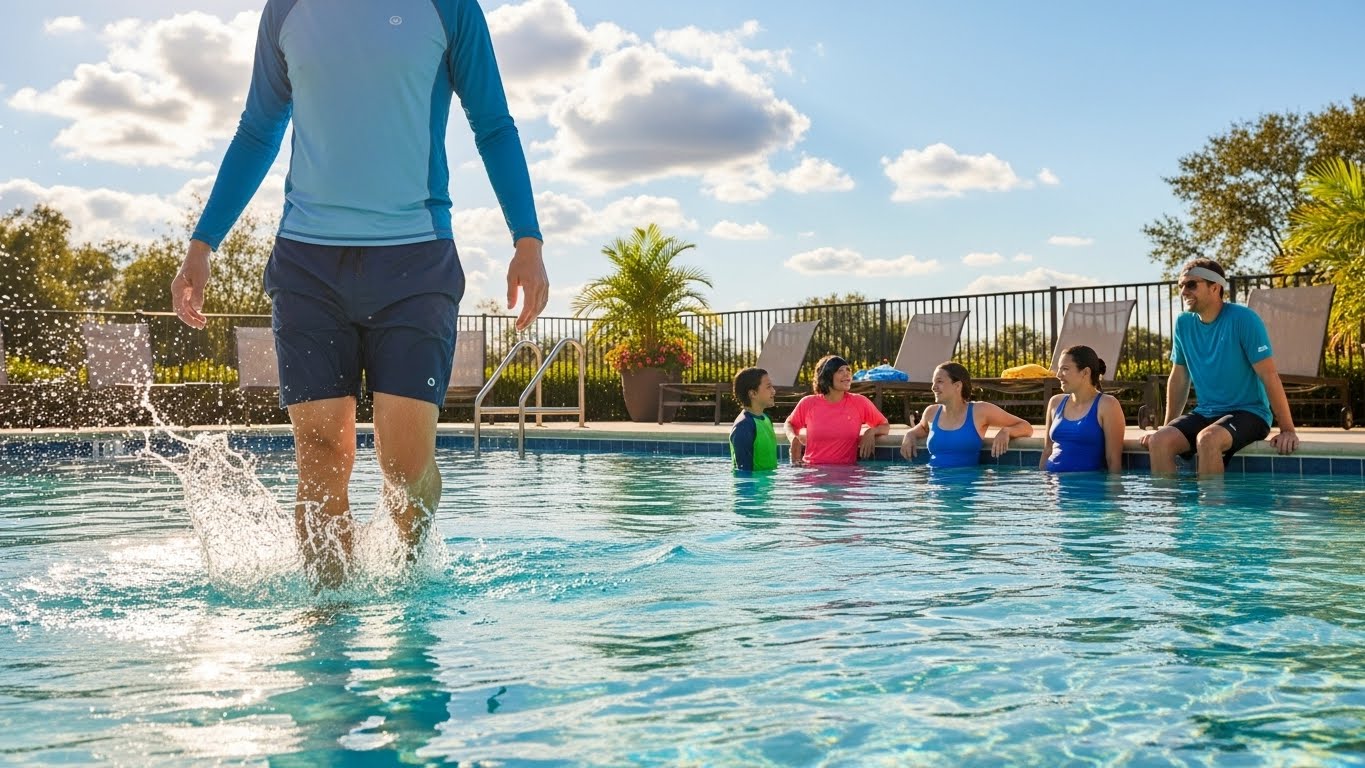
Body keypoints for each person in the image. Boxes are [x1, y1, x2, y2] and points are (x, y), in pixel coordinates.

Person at [170, 1, 549, 588]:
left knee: (405, 468)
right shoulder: (287, 10)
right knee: (320, 458)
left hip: (416, 262)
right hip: (307, 264)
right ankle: (329, 634)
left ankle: (407, 598)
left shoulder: (449, 9)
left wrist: (527, 238)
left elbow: (494, 125)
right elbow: (257, 129)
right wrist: (203, 242)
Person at [1139, 258, 1299, 475]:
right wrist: (1168, 427)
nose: (1184, 291)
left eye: (1192, 284)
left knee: (1208, 439)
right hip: (1206, 413)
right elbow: (1179, 377)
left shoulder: (1244, 319)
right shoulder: (1183, 324)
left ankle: (1213, 510)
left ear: (1215, 287)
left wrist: (1288, 430)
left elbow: (1269, 375)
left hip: (1250, 413)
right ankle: (1168, 508)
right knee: (1159, 441)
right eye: (1181, 286)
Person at [898, 361, 1032, 468]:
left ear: (957, 386)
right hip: (935, 490)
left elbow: (1026, 427)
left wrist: (1006, 431)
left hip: (965, 491)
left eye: (939, 381)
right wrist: (910, 434)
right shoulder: (932, 412)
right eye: (933, 382)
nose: (933, 387)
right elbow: (922, 428)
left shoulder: (980, 411)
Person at [784, 355, 890, 465]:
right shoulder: (809, 403)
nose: (847, 374)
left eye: (848, 370)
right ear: (828, 376)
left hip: (846, 475)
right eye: (840, 371)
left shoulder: (859, 402)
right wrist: (793, 439)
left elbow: (884, 426)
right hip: (813, 474)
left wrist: (871, 431)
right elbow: (789, 423)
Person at [1041, 345, 1125, 472]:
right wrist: (1044, 486)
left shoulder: (1107, 405)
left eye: (1065, 369)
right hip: (1054, 486)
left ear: (1085, 372)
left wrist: (1113, 490)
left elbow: (1113, 460)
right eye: (1059, 369)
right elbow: (1048, 450)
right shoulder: (1055, 402)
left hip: (1086, 488)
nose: (1058, 375)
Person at [729, 367, 778, 472]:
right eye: (768, 387)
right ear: (753, 394)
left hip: (767, 487)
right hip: (753, 488)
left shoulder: (766, 419)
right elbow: (743, 473)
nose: (773, 391)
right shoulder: (743, 427)